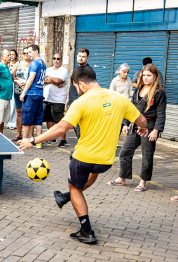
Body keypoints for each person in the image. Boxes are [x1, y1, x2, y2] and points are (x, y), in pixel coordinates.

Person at [18, 66, 148, 244]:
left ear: (81, 83)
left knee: (75, 187)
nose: (77, 90)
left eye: (76, 87)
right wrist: (143, 127)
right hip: (106, 160)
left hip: (84, 157)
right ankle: (64, 197)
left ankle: (86, 230)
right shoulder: (119, 99)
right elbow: (141, 120)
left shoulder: (81, 102)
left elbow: (61, 128)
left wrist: (32, 141)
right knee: (93, 172)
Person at [108, 64, 167, 192]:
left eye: (149, 75)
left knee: (147, 155)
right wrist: (125, 123)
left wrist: (156, 130)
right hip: (135, 125)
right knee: (125, 152)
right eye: (144, 75)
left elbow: (161, 113)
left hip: (149, 127)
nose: (146, 78)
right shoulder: (139, 89)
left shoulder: (159, 92)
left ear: (155, 76)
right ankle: (122, 177)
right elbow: (131, 108)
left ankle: (143, 182)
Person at [20, 44, 46, 149]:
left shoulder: (35, 63)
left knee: (27, 117)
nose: (28, 54)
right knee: (38, 118)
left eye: (30, 52)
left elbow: (31, 78)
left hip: (31, 93)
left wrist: (23, 92)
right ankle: (38, 141)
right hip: (39, 94)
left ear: (36, 52)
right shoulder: (43, 63)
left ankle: (24, 139)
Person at [43, 53, 69, 147]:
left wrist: (50, 79)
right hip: (47, 97)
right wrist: (54, 80)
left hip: (58, 99)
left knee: (59, 120)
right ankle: (51, 137)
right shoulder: (48, 69)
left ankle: (63, 139)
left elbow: (59, 81)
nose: (56, 60)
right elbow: (43, 80)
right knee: (49, 119)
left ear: (61, 60)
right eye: (54, 58)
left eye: (58, 59)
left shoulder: (64, 70)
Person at [65, 48, 90, 141]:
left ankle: (83, 146)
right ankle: (82, 145)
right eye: (79, 56)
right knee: (75, 125)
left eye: (83, 56)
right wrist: (68, 98)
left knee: (80, 126)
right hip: (73, 100)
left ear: (87, 58)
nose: (81, 58)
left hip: (82, 102)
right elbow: (71, 84)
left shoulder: (88, 70)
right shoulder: (76, 68)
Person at [11, 47, 31, 141]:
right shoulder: (18, 63)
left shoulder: (33, 64)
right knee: (19, 112)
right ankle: (19, 134)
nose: (26, 54)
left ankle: (28, 136)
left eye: (28, 53)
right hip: (18, 91)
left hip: (29, 91)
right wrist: (17, 82)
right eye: (24, 53)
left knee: (29, 113)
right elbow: (12, 75)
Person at [6, 49, 19, 130]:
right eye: (10, 54)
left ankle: (12, 122)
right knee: (7, 104)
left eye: (13, 54)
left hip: (15, 85)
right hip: (7, 86)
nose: (11, 56)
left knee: (13, 104)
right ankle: (6, 121)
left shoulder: (18, 64)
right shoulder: (6, 65)